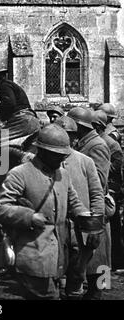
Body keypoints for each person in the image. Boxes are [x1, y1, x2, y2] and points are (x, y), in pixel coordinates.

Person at [0, 124, 87, 300]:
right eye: (56, 155)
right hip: (32, 255)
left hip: (58, 255)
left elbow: (73, 200)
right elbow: (0, 208)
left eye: (63, 155)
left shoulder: (63, 174)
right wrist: (29, 217)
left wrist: (83, 214)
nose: (61, 159)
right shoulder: (20, 174)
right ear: (42, 151)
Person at [56, 116, 104, 300]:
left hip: (89, 222)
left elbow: (99, 190)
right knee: (59, 275)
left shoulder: (90, 155)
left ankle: (99, 293)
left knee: (99, 266)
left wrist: (95, 223)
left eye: (68, 135)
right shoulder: (45, 160)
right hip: (62, 227)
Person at [67, 106, 111, 300]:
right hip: (87, 211)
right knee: (91, 260)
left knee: (100, 261)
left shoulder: (97, 145)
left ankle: (100, 293)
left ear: (79, 126)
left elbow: (100, 181)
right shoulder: (85, 142)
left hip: (95, 212)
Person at [92, 110, 124, 270]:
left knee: (111, 230)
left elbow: (116, 167)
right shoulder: (101, 140)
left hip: (110, 189)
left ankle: (114, 265)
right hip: (105, 189)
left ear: (97, 126)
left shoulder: (109, 143)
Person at [0, 62, 40, 140]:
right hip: (30, 120)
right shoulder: (10, 85)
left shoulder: (4, 86)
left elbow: (9, 104)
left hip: (23, 120)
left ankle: (26, 153)